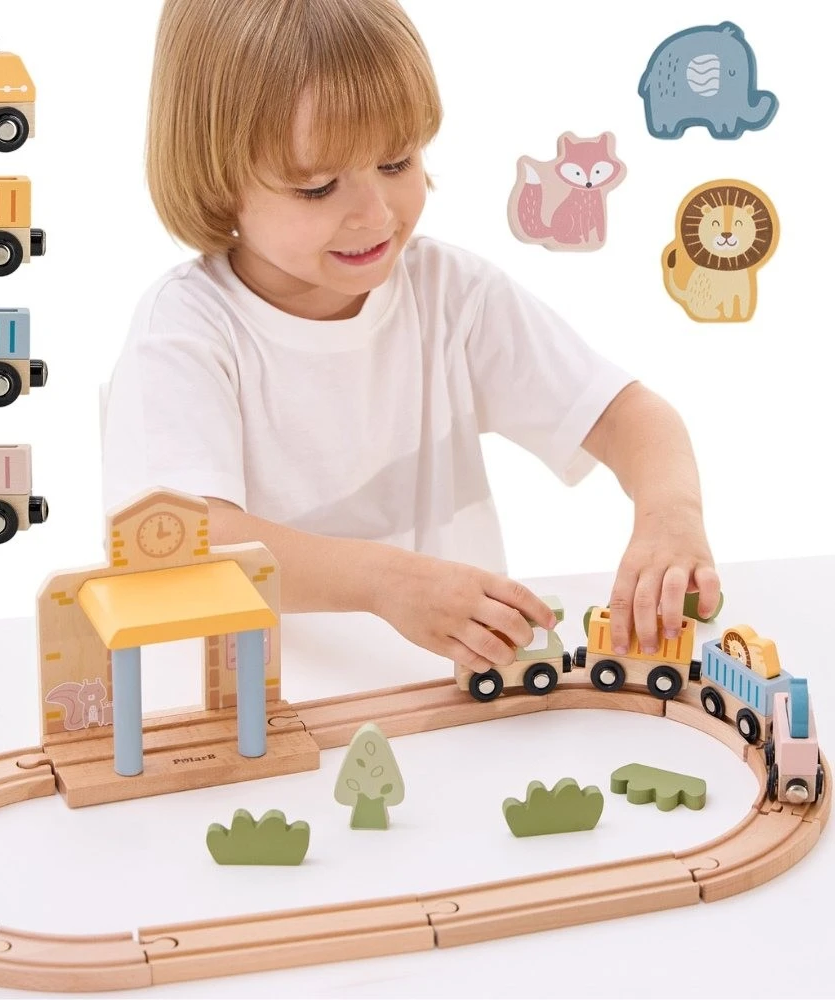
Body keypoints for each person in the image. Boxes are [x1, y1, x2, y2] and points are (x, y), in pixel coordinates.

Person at [102, 0, 720, 679]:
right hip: (273, 714)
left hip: (463, 701)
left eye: (397, 162)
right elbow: (179, 542)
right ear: (217, 181)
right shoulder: (185, 330)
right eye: (318, 187)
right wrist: (383, 582)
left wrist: (671, 515)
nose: (374, 213)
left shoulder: (451, 295)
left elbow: (628, 414)